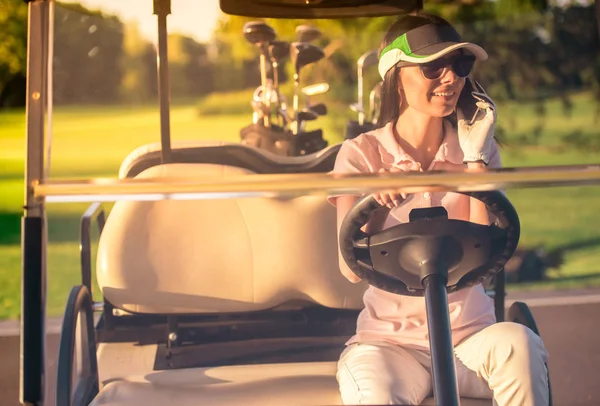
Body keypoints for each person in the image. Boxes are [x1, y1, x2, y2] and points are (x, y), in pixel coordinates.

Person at [328, 12, 550, 406]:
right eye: (433, 67)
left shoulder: (476, 153)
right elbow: (349, 267)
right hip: (390, 344)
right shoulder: (361, 154)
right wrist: (379, 200)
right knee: (374, 394)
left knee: (520, 344)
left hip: (470, 338)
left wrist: (473, 163)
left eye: (460, 65)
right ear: (396, 75)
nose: (451, 78)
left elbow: (486, 252)